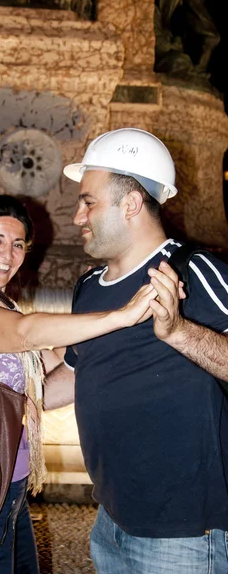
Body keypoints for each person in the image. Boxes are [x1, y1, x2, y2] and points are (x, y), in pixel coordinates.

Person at [0, 193, 161, 574]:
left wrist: (127, 340)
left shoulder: (1, 307)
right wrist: (120, 316)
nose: (9, 252)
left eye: (18, 243)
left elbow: (53, 360)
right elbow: (26, 332)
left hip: (9, 488)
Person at [45, 127, 228, 573]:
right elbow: (73, 375)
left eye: (89, 201)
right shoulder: (88, 287)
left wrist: (179, 331)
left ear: (130, 204)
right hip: (111, 518)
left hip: (184, 531)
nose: (77, 216)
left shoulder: (194, 270)